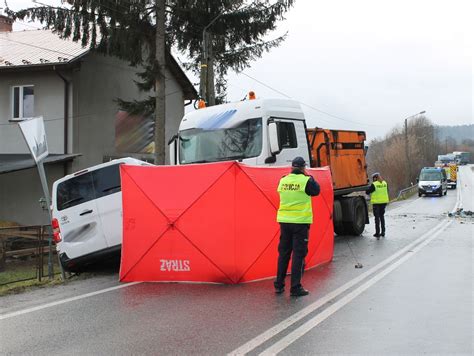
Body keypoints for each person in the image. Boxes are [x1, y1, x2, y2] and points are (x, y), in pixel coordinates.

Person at [274, 156, 320, 297]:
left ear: (292, 167)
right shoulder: (306, 180)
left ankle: (279, 285)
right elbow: (316, 191)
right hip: (300, 223)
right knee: (298, 255)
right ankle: (295, 287)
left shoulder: (283, 180)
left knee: (284, 254)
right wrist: (309, 176)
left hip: (284, 222)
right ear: (303, 168)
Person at [366, 172, 389, 239]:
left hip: (377, 203)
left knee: (377, 218)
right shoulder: (385, 183)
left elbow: (367, 192)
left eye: (373, 178)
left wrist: (368, 188)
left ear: (375, 178)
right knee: (382, 217)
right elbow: (386, 191)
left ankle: (377, 233)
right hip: (384, 203)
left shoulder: (374, 184)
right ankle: (383, 232)